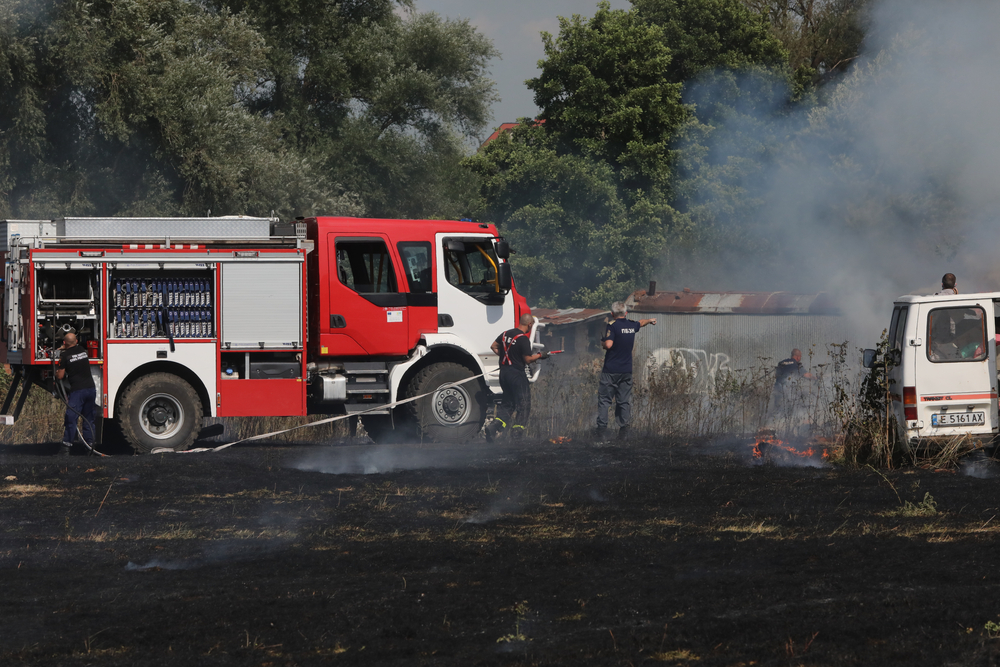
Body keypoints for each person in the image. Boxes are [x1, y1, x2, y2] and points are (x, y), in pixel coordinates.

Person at [595, 301, 656, 441]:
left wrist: (603, 343)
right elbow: (641, 322)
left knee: (605, 401)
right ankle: (624, 432)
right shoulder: (631, 325)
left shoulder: (612, 326)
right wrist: (650, 320)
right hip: (626, 371)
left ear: (612, 314)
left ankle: (601, 432)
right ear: (626, 313)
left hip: (610, 371)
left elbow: (609, 344)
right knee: (623, 401)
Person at [486, 314, 547, 440]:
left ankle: (494, 427)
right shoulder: (523, 339)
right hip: (516, 375)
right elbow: (528, 359)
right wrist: (541, 356)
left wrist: (504, 357)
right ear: (530, 324)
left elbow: (493, 346)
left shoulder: (505, 334)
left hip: (504, 375)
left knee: (508, 403)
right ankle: (517, 433)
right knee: (524, 404)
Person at [55, 333, 96, 456]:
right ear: (76, 341)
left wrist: (56, 374)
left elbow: (61, 376)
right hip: (91, 389)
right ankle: (90, 447)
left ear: (64, 343)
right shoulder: (82, 350)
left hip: (78, 391)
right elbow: (73, 349)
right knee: (88, 419)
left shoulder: (65, 356)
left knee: (71, 418)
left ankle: (66, 448)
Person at [773, 349, 814, 413]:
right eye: (800, 357)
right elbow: (806, 375)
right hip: (789, 391)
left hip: (778, 389)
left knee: (778, 409)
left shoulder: (781, 363)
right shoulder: (796, 364)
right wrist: (817, 377)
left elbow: (776, 375)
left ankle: (774, 419)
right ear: (798, 357)